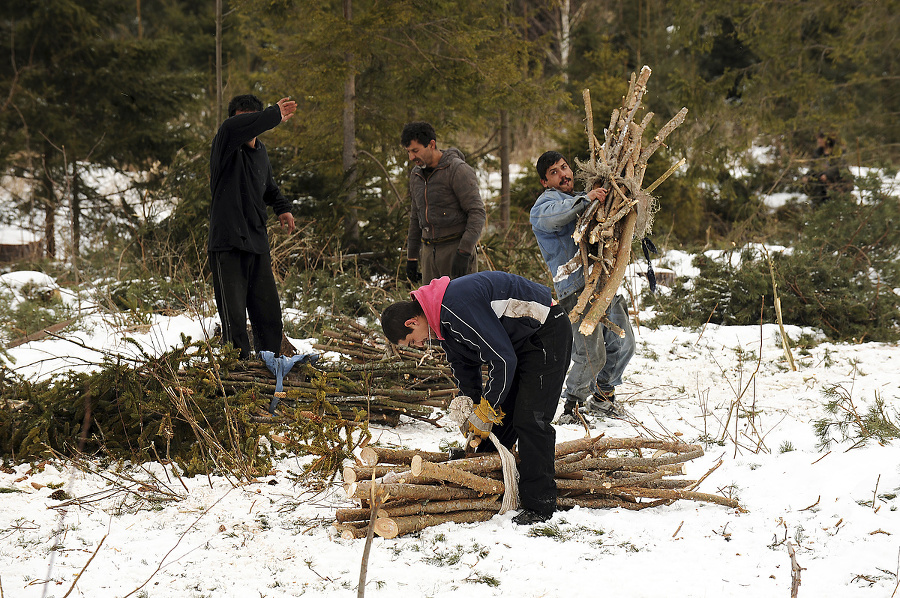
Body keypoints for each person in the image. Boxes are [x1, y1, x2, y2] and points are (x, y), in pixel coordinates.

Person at [381, 271, 572, 525]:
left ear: (412, 323)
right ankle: (487, 476)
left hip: (547, 331)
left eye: (411, 341)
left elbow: (502, 360)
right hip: (520, 341)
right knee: (503, 421)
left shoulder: (455, 306)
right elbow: (464, 364)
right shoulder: (441, 320)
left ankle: (540, 504)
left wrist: (486, 410)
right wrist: (469, 406)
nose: (416, 345)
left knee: (530, 419)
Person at [530, 151, 635, 425]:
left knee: (623, 343)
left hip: (601, 281)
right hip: (576, 290)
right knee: (591, 354)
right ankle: (572, 406)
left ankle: (603, 397)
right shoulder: (544, 205)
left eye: (564, 167)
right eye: (554, 172)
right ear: (544, 181)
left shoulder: (581, 197)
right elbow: (557, 216)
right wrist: (586, 199)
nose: (563, 174)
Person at [207, 94, 297, 359]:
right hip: (227, 244)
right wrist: (273, 114)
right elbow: (234, 126)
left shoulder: (261, 152)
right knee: (233, 317)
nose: (246, 125)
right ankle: (238, 372)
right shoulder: (225, 142)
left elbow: (268, 186)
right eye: (241, 119)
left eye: (251, 119)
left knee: (267, 312)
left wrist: (282, 207)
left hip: (257, 243)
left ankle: (270, 366)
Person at [401, 121, 486, 285]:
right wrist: (412, 257)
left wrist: (464, 252)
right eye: (408, 152)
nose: (411, 157)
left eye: (415, 151)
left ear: (431, 144)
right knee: (431, 309)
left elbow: (477, 212)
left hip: (455, 251)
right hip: (428, 254)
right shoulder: (416, 175)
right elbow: (415, 217)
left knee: (459, 308)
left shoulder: (457, 170)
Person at [803, 134, 854, 205]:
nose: (819, 141)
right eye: (819, 138)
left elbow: (840, 167)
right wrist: (807, 176)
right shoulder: (818, 154)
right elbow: (814, 168)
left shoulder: (838, 153)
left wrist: (827, 175)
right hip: (821, 188)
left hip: (837, 186)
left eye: (822, 138)